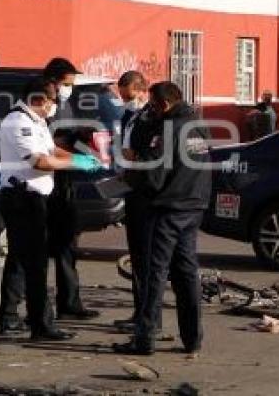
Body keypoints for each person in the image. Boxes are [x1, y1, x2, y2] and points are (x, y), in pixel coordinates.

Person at [0, 77, 101, 340]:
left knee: (22, 260)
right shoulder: (18, 122)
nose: (55, 105)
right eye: (52, 100)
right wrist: (74, 165)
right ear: (39, 99)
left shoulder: (37, 120)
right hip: (23, 200)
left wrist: (77, 157)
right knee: (35, 264)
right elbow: (39, 162)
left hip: (36, 199)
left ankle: (10, 317)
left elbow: (51, 149)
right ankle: (40, 325)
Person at [114, 82, 211, 357]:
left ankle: (144, 338)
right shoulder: (196, 123)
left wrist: (132, 167)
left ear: (164, 104)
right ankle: (193, 338)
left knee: (154, 272)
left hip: (169, 207)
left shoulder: (168, 129)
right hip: (194, 206)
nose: (152, 110)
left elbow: (153, 175)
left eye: (154, 106)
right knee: (186, 272)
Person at [43, 57, 101, 321]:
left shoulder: (64, 105)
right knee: (37, 251)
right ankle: (30, 310)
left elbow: (63, 139)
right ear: (52, 81)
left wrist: (81, 137)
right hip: (45, 184)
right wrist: (74, 149)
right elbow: (46, 146)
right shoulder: (42, 106)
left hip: (65, 182)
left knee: (68, 245)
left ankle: (69, 302)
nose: (70, 88)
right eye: (67, 83)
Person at [111, 71, 161, 333]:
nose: (125, 100)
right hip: (131, 187)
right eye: (121, 95)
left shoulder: (152, 118)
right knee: (138, 255)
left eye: (128, 96)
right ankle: (139, 310)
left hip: (146, 194)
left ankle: (149, 316)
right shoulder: (129, 116)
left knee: (148, 257)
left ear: (142, 91)